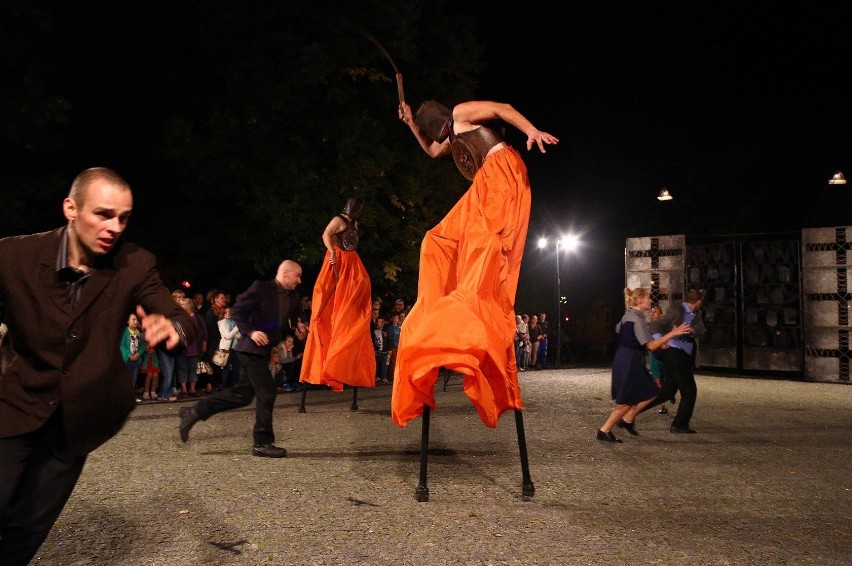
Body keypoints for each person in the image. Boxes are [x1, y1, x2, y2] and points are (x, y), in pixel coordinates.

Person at [0, 167, 196, 565]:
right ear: (71, 208)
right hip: (15, 402)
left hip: (82, 415)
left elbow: (178, 314)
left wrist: (173, 327)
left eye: (123, 218)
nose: (114, 227)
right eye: (103, 214)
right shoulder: (13, 255)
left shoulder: (135, 263)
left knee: (30, 525)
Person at [393, 98, 558, 428]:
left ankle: (471, 308)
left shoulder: (461, 114)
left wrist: (531, 130)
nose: (439, 136)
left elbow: (502, 108)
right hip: (484, 186)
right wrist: (411, 124)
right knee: (437, 240)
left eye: (434, 128)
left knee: (483, 244)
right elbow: (431, 152)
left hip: (502, 174)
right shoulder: (450, 137)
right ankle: (435, 307)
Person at [178, 260, 303, 458]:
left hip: (262, 352)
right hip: (249, 349)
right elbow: (238, 311)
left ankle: (194, 412)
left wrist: (300, 326)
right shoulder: (261, 288)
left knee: (241, 395)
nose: (300, 280)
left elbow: (296, 315)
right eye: (297, 275)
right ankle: (262, 443)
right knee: (267, 391)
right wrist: (252, 332)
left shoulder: (292, 296)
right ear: (285, 273)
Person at [299, 199, 376, 391]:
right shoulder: (338, 220)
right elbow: (326, 234)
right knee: (334, 292)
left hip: (351, 259)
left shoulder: (353, 223)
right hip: (340, 258)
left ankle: (351, 317)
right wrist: (331, 251)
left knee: (362, 283)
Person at [597, 288, 692, 442]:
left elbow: (617, 329)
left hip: (624, 357)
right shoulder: (638, 320)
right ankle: (604, 430)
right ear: (640, 300)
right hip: (630, 360)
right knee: (627, 399)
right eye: (648, 298)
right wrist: (672, 334)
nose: (650, 300)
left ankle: (627, 420)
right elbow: (651, 346)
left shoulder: (628, 316)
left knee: (651, 391)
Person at [642, 288, 706, 433]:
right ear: (699, 302)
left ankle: (631, 411)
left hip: (682, 355)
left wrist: (692, 331)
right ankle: (679, 425)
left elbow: (702, 331)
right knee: (689, 391)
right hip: (674, 353)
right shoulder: (676, 309)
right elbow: (655, 324)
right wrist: (660, 339)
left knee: (667, 392)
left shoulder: (697, 314)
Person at [648, 305, 671, 414]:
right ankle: (663, 405)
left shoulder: (665, 326)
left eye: (655, 312)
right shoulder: (650, 327)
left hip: (665, 356)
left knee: (667, 380)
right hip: (654, 356)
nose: (652, 314)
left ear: (661, 314)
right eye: (651, 312)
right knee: (657, 380)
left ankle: (668, 394)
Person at [120, 312, 145, 402]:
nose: (135, 321)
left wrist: (138, 354)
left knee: (134, 378)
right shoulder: (125, 332)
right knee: (125, 378)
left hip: (136, 359)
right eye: (133, 319)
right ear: (128, 321)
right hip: (127, 360)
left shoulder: (139, 332)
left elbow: (142, 345)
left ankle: (131, 396)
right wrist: (129, 355)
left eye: (137, 320)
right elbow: (122, 345)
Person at [216, 306, 241, 390]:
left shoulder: (233, 321)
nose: (228, 313)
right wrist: (236, 328)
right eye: (226, 312)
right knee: (225, 368)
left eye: (229, 312)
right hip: (226, 348)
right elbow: (227, 336)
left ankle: (234, 386)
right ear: (223, 313)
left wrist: (234, 333)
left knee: (236, 367)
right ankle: (224, 388)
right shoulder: (221, 323)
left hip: (234, 348)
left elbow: (239, 336)